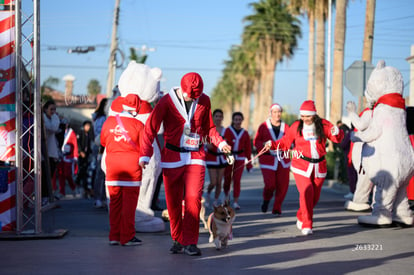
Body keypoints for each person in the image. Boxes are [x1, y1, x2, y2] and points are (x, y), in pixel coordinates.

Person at [139, 72, 231, 256]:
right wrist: (145, 155)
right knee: (173, 202)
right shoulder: (167, 101)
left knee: (193, 200)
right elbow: (150, 128)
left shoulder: (204, 100)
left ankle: (190, 242)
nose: (194, 97)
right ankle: (177, 238)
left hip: (195, 156)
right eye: (191, 94)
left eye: (197, 94)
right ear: (182, 88)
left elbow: (209, 128)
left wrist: (221, 143)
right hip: (172, 156)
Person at [264, 100, 344, 235]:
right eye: (303, 116)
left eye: (308, 116)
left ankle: (301, 215)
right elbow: (284, 142)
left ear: (314, 114)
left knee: (315, 197)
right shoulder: (296, 126)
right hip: (301, 165)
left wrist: (337, 132)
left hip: (319, 166)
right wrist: (271, 144)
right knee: (307, 192)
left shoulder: (324, 124)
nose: (305, 119)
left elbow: (337, 139)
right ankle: (307, 224)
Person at [101, 94, 144, 246]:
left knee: (114, 203)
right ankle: (127, 236)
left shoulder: (109, 122)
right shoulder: (139, 124)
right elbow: (145, 146)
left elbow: (103, 141)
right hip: (132, 168)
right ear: (137, 108)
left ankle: (114, 236)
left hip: (113, 167)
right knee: (129, 205)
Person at [253, 103, 291, 215]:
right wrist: (264, 146)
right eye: (274, 112)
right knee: (270, 185)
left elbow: (291, 140)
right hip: (268, 160)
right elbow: (256, 141)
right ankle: (266, 199)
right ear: (271, 113)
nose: (277, 114)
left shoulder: (286, 127)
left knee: (282, 185)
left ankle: (277, 207)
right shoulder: (264, 126)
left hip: (283, 160)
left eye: (279, 112)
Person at [223, 111, 253, 210]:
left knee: (237, 180)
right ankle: (226, 197)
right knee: (227, 179)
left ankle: (235, 201)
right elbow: (224, 145)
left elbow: (248, 149)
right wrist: (226, 157)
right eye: (236, 120)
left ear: (242, 120)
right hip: (229, 158)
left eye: (239, 120)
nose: (238, 121)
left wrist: (249, 164)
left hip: (240, 158)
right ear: (233, 120)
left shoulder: (245, 133)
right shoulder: (228, 130)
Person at [204, 109, 227, 208]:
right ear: (213, 118)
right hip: (211, 158)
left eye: (220, 116)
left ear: (222, 118)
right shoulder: (209, 129)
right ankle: (208, 193)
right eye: (216, 116)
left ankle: (216, 200)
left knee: (219, 182)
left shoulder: (225, 130)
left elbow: (228, 143)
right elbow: (206, 143)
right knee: (213, 182)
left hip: (222, 158)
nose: (218, 118)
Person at [53, 118, 78, 198]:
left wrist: (75, 156)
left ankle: (73, 187)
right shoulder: (58, 131)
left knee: (67, 174)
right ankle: (62, 191)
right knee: (60, 174)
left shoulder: (71, 132)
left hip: (68, 156)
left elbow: (75, 145)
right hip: (60, 155)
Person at [42, 100, 60, 205]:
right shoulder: (44, 119)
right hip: (44, 152)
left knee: (50, 175)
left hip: (52, 152)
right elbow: (53, 127)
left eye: (54, 109)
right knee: (43, 176)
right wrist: (55, 117)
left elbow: (54, 128)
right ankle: (43, 196)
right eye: (51, 109)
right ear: (45, 109)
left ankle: (48, 196)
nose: (53, 112)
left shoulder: (52, 119)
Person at [92, 98, 108, 208]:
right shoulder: (101, 118)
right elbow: (99, 134)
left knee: (104, 174)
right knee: (100, 173)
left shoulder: (101, 118)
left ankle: (102, 197)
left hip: (104, 146)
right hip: (101, 147)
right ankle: (98, 198)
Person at [76, 120, 94, 199]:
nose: (88, 127)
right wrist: (80, 151)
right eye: (87, 126)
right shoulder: (80, 132)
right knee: (82, 169)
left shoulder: (88, 134)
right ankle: (78, 183)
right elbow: (78, 143)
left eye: (89, 126)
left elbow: (89, 144)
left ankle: (85, 187)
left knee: (85, 170)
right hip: (81, 155)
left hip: (86, 155)